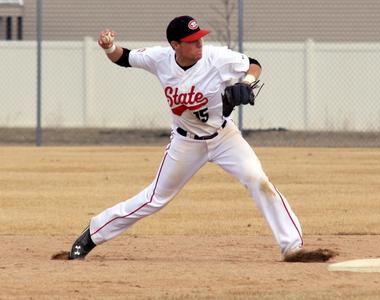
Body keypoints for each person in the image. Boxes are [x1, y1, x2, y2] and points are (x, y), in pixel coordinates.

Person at [68, 16, 328, 262]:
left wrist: (247, 83)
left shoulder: (216, 57)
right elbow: (123, 57)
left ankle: (293, 247)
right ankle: (92, 235)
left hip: (224, 137)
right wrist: (109, 46)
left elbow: (254, 64)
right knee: (154, 198)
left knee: (259, 181)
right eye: (192, 40)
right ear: (175, 45)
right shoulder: (160, 58)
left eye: (200, 37)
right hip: (186, 142)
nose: (199, 43)